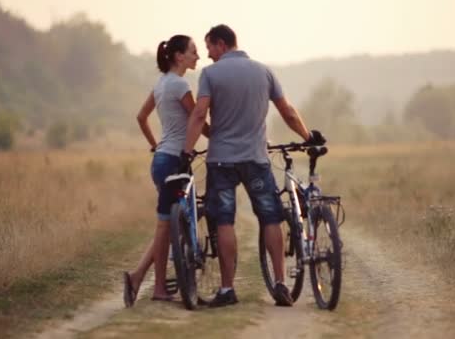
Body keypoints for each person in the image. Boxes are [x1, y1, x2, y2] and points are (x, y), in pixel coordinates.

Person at [180, 24, 325, 308]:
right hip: (256, 159)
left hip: (221, 161)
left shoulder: (210, 74)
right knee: (270, 217)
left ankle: (226, 289)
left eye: (209, 48)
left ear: (221, 44)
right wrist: (308, 137)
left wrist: (186, 151)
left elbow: (199, 115)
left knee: (224, 221)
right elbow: (288, 112)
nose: (208, 55)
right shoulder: (264, 71)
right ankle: (281, 283)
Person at [123, 34, 208, 307]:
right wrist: (222, 136)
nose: (198, 56)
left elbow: (140, 117)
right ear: (178, 56)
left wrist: (154, 145)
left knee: (166, 225)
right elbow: (198, 119)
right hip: (173, 161)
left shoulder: (161, 83)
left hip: (161, 159)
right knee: (164, 226)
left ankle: (137, 277)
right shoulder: (180, 84)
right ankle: (157, 286)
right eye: (193, 52)